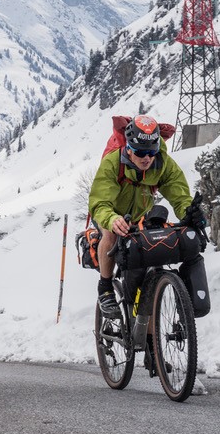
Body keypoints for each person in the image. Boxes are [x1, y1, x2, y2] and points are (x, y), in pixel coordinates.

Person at [87, 114, 206, 320]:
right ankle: (105, 288)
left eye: (151, 152)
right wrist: (112, 219)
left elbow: (179, 195)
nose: (146, 158)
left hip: (140, 214)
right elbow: (99, 202)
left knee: (153, 249)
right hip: (110, 212)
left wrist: (189, 211)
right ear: (129, 149)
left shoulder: (162, 163)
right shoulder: (113, 163)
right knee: (111, 235)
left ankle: (149, 323)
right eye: (141, 152)